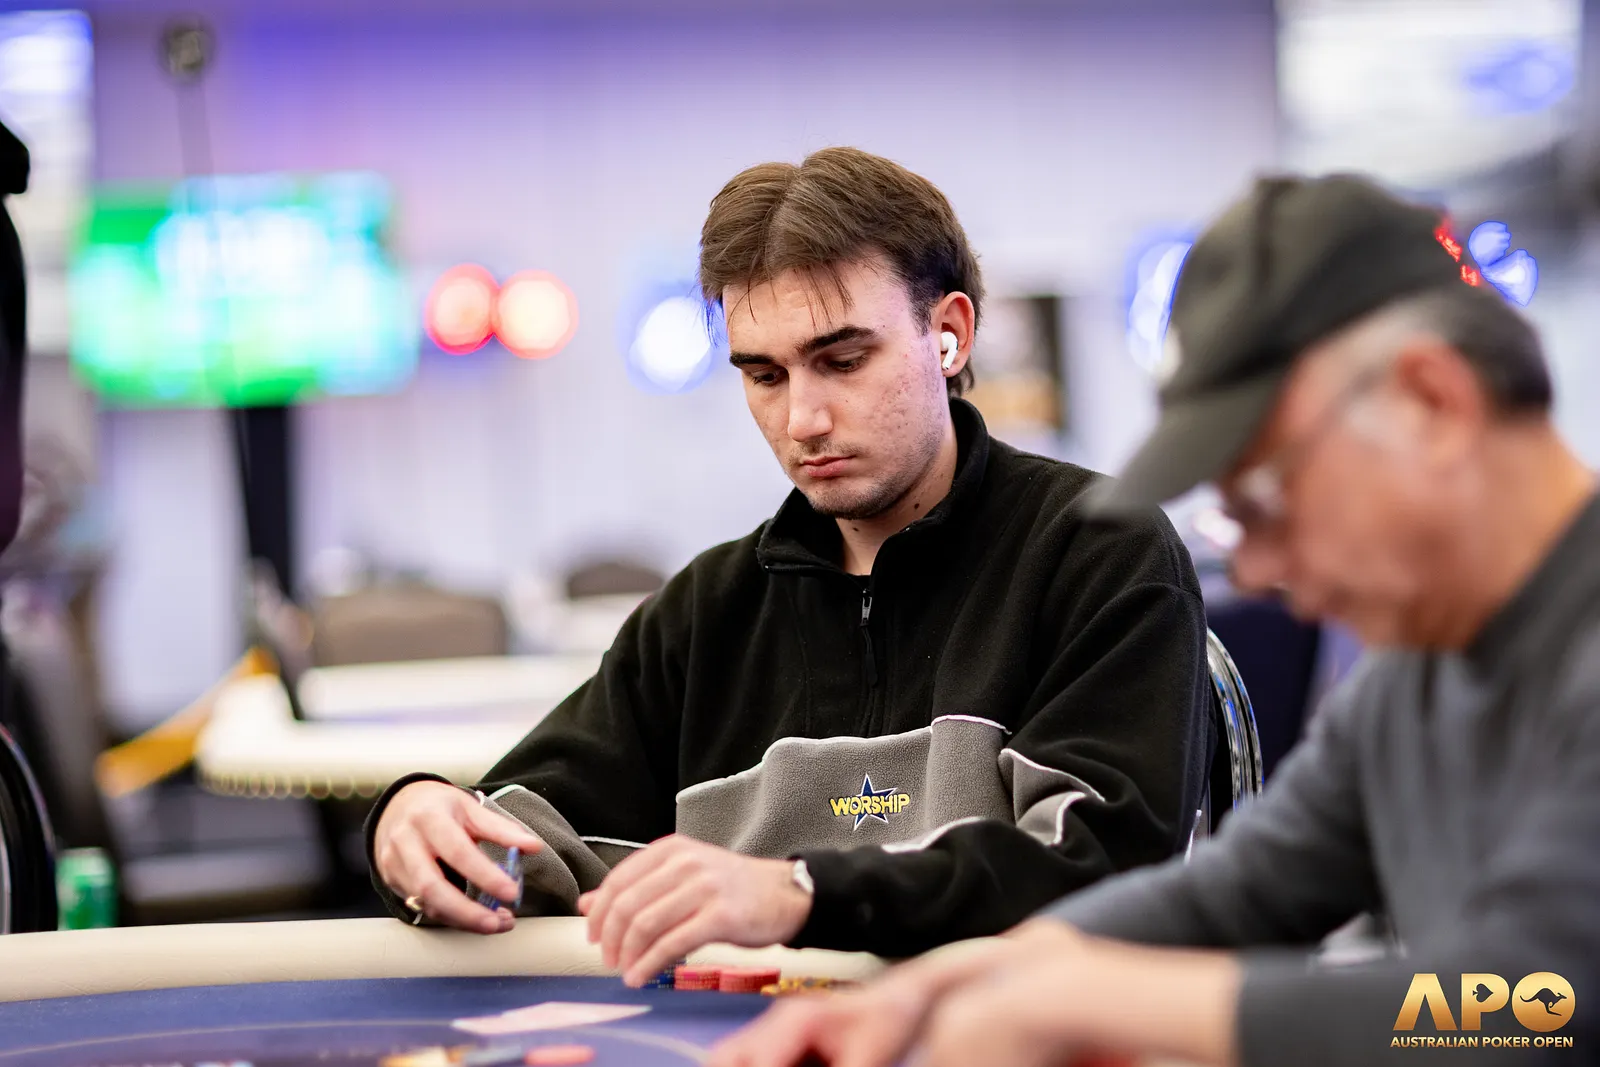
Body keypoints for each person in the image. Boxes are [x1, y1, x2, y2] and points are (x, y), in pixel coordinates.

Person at [708, 174, 1600, 1067]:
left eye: (1266, 501)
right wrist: (941, 989)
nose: (1257, 570)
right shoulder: (1410, 681)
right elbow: (1234, 893)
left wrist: (1083, 1003)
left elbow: (1543, 1005)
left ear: (1433, 404)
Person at [367, 147, 1213, 983]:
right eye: (765, 374)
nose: (803, 418)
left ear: (949, 335)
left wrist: (801, 895)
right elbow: (519, 844)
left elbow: (1099, 872)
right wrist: (415, 821)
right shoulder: (703, 614)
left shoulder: (1096, 552)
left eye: (843, 361)